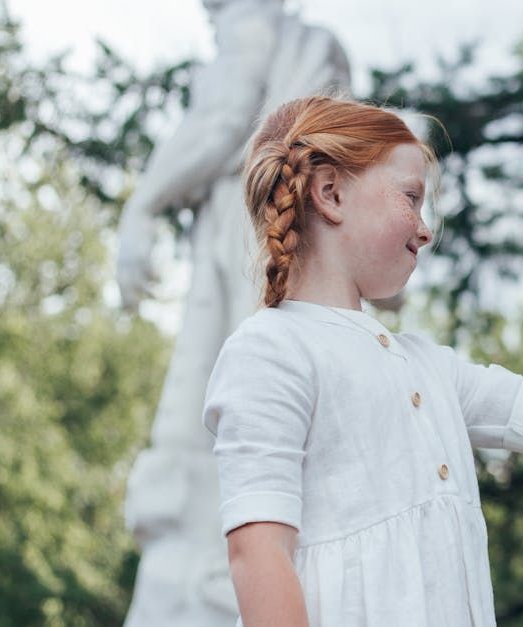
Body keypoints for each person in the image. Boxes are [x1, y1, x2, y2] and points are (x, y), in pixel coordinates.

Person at [203, 95, 523, 625]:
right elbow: (258, 553)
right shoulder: (270, 350)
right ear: (331, 193)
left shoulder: (427, 368)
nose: (425, 228)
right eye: (411, 197)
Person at [116, 1, 351, 623]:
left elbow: (224, 118)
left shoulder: (250, 21)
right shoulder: (311, 43)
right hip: (287, 251)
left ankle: (214, 589)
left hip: (246, 244)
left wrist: (142, 204)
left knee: (218, 424)